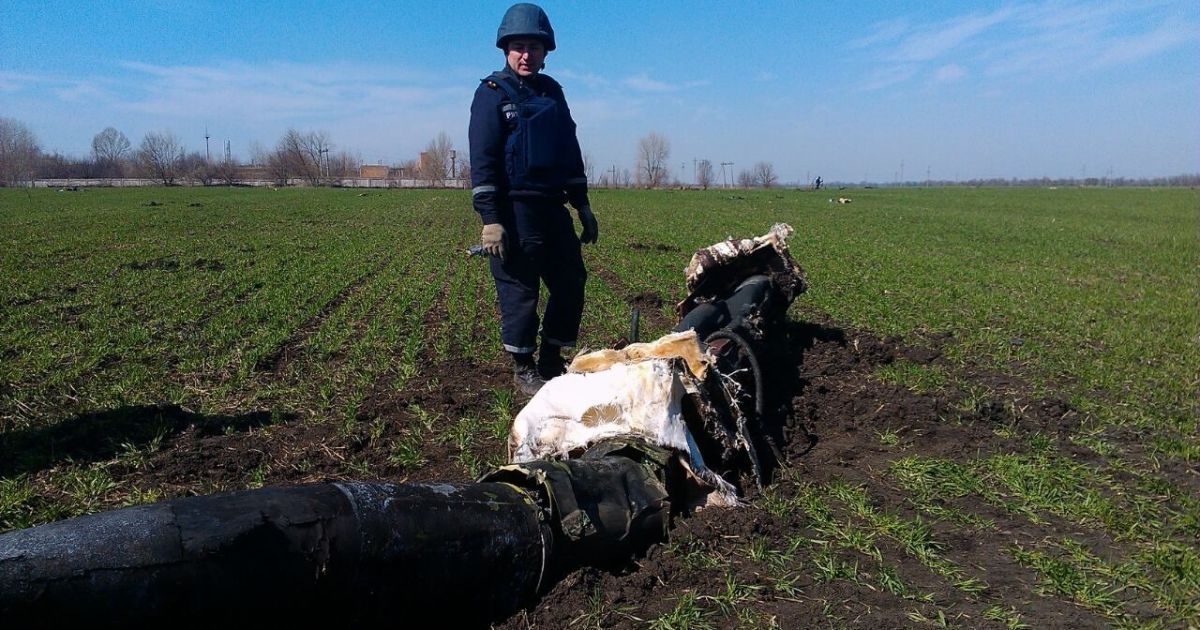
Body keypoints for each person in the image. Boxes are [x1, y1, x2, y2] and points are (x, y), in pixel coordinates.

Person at [469, 3, 598, 395]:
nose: (527, 55)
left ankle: (551, 357)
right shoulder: (491, 94)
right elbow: (484, 160)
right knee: (521, 292)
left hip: (551, 208)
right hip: (514, 211)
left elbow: (569, 150)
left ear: (546, 51)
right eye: (519, 46)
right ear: (506, 49)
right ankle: (523, 367)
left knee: (571, 281)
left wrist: (582, 205)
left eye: (534, 47)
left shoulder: (553, 93)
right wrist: (491, 219)